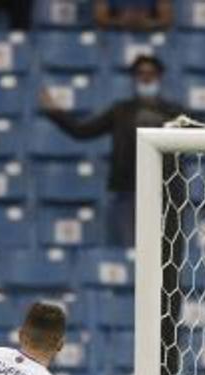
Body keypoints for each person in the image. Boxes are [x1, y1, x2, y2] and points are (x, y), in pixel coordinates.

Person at [39, 55, 186, 248]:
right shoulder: (120, 111)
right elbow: (82, 131)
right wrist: (55, 113)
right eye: (141, 73)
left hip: (167, 194)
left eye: (151, 73)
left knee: (166, 253)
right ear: (134, 78)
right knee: (130, 252)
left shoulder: (175, 113)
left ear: (159, 77)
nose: (146, 78)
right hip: (127, 191)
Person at [94, 0, 173, 31]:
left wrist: (146, 22)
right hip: (115, 34)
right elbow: (100, 19)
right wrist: (122, 21)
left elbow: (166, 19)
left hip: (149, 31)